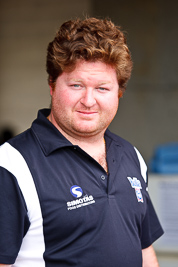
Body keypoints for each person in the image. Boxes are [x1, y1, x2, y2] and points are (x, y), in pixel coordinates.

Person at [0, 17, 163, 267]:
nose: (88, 100)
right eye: (76, 85)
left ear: (119, 92)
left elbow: (145, 251)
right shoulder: (11, 165)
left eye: (102, 88)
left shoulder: (131, 155)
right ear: (52, 85)